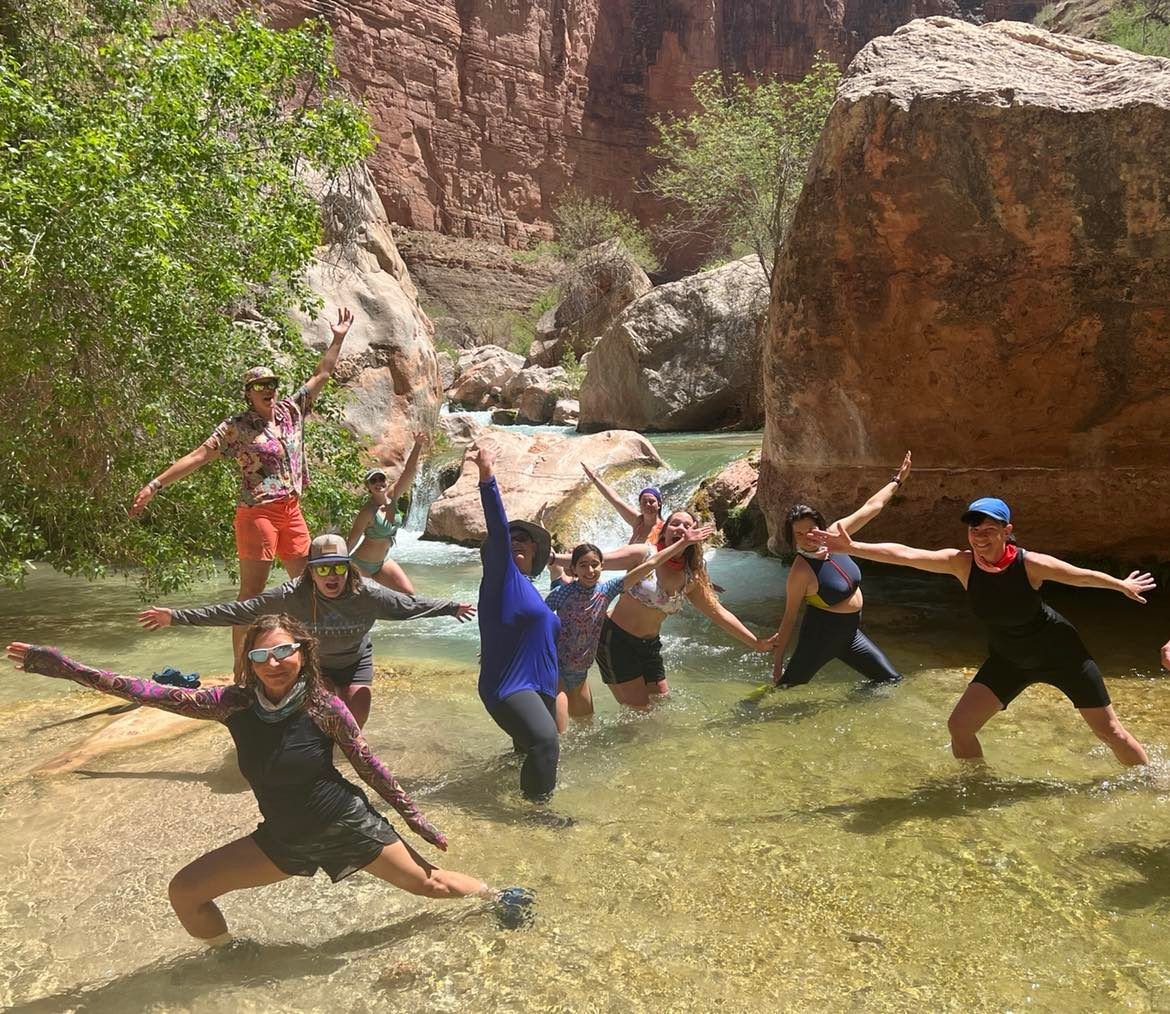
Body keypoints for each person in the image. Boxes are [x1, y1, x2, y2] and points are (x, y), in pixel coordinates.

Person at [5, 615, 531, 947]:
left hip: (347, 824)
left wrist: (415, 819)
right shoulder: (230, 703)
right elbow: (141, 689)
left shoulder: (326, 708)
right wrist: (61, 666)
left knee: (432, 884)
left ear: (302, 652)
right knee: (185, 893)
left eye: (284, 651)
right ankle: (229, 959)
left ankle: (502, 896)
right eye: (260, 655)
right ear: (248, 662)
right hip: (283, 836)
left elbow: (370, 766)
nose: (274, 662)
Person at [813, 497, 1155, 766]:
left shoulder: (1029, 563)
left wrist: (1120, 584)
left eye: (988, 528)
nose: (979, 536)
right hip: (1009, 659)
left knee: (1110, 733)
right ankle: (978, 785)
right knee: (959, 726)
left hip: (1062, 655)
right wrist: (854, 548)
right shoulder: (961, 564)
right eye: (973, 529)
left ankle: (1149, 782)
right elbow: (906, 555)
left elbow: (1077, 575)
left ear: (1007, 531)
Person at [130, 308, 356, 675]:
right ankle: (241, 670)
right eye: (261, 386)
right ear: (248, 393)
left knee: (308, 585)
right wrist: (156, 484)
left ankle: (310, 661)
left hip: (291, 509)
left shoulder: (291, 411)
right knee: (253, 594)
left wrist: (339, 337)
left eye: (272, 384)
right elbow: (200, 455)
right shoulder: (236, 427)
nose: (269, 390)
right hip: (257, 513)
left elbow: (322, 374)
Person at [138, 533, 475, 728]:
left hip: (356, 660)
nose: (332, 576)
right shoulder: (289, 596)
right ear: (310, 572)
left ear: (348, 569)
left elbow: (411, 607)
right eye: (323, 569)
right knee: (327, 714)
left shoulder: (369, 594)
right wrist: (176, 617)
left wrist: (452, 607)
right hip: (316, 664)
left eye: (338, 568)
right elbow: (236, 612)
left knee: (355, 723)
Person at [566, 511, 775, 709]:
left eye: (687, 525)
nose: (680, 528)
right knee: (640, 713)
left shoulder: (690, 576)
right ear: (664, 531)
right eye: (675, 524)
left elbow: (718, 613)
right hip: (616, 640)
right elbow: (596, 561)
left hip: (649, 646)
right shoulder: (643, 554)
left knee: (661, 705)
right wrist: (551, 559)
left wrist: (756, 643)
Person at [770, 453, 911, 688]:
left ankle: (854, 708)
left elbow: (872, 507)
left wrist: (897, 480)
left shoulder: (837, 535)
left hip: (851, 635)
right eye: (799, 534)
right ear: (792, 537)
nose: (808, 538)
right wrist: (776, 662)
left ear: (821, 526)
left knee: (890, 680)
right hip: (820, 638)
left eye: (812, 530)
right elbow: (789, 619)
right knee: (783, 688)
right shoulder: (800, 571)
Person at [472, 443, 561, 801]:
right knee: (545, 742)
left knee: (527, 753)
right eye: (510, 540)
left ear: (537, 552)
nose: (516, 542)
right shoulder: (501, 578)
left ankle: (502, 798)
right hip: (510, 686)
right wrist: (486, 475)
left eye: (524, 540)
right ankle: (536, 816)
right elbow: (496, 523)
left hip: (540, 686)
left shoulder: (531, 591)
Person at [544, 544, 626, 732]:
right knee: (559, 733)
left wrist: (682, 543)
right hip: (557, 669)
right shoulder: (561, 594)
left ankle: (554, 563)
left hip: (580, 672)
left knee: (587, 729)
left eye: (594, 564)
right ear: (574, 568)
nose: (590, 570)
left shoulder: (605, 591)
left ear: (602, 566)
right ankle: (552, 560)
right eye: (582, 565)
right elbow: (535, 621)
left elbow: (650, 563)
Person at [347, 432, 427, 594]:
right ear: (368, 487)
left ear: (386, 481)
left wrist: (418, 445)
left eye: (381, 479)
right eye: (373, 481)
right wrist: (337, 564)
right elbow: (352, 540)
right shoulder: (367, 511)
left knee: (408, 594)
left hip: (383, 562)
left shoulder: (393, 497)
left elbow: (409, 471)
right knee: (367, 603)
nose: (378, 483)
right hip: (361, 565)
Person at [580, 462, 664, 545]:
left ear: (659, 504)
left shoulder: (664, 528)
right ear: (640, 506)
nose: (648, 504)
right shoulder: (638, 521)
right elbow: (615, 500)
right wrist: (594, 479)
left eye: (652, 501)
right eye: (644, 502)